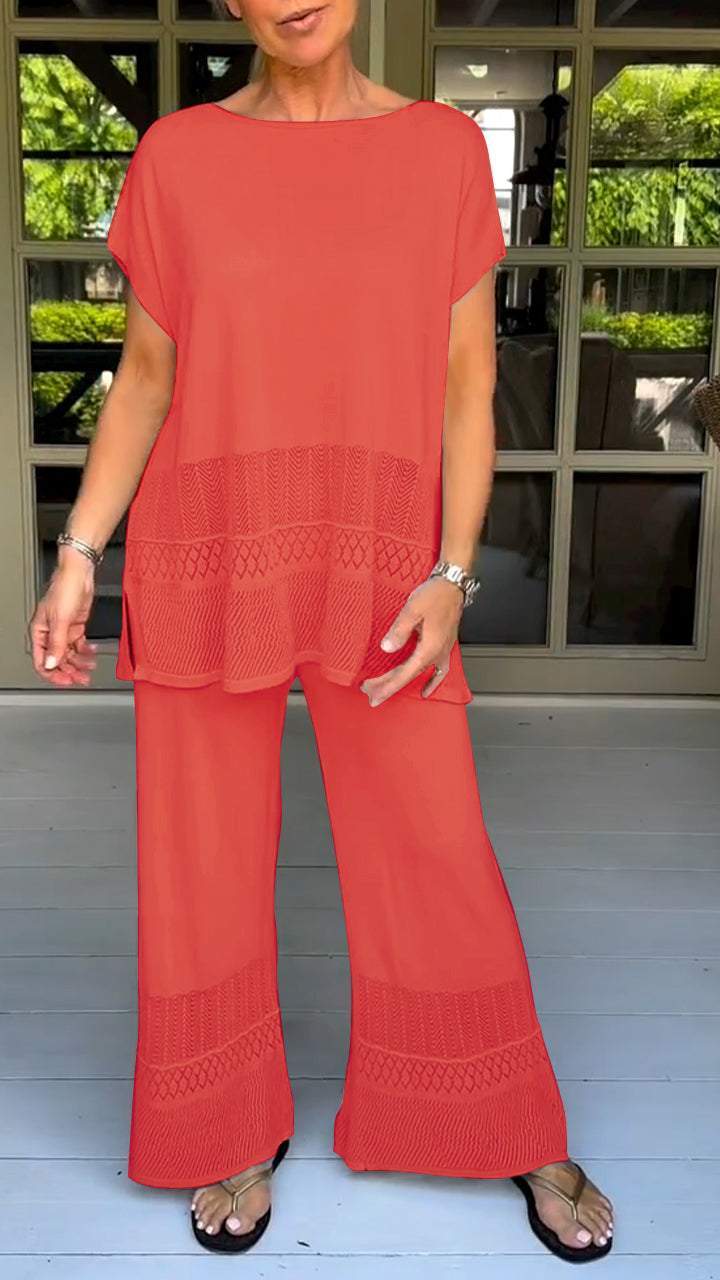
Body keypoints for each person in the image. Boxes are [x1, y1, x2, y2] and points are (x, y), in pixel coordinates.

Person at [28, 0, 614, 1263]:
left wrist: (454, 571)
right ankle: (228, 1120)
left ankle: (502, 1113)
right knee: (200, 857)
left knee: (432, 838)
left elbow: (467, 384)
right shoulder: (180, 157)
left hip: (385, 561)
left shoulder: (441, 150)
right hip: (206, 546)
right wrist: (77, 553)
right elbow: (146, 377)